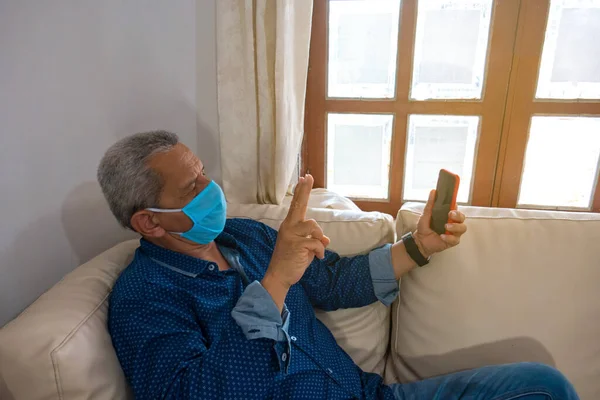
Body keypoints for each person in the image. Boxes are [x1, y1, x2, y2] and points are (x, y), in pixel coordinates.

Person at [98, 130, 578, 400]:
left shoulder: (245, 235)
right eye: (191, 190)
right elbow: (195, 393)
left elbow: (333, 281)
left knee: (542, 386)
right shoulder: (143, 298)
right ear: (148, 222)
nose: (211, 191)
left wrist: (419, 245)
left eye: (205, 175)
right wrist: (274, 284)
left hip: (367, 395)